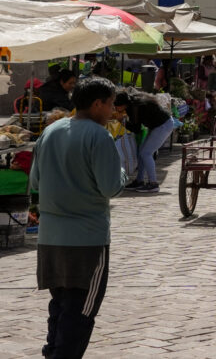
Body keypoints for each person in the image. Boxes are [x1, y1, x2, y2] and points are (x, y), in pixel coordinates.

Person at [30, 77, 125, 359]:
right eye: (110, 104)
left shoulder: (50, 131)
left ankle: (53, 353)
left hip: (50, 238)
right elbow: (112, 186)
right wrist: (122, 172)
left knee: (60, 305)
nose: (112, 111)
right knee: (80, 312)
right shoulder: (100, 136)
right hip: (87, 239)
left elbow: (35, 181)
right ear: (97, 104)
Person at [112, 90, 174, 193]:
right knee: (142, 152)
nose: (115, 108)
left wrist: (122, 121)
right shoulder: (132, 103)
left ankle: (153, 183)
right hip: (156, 126)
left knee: (146, 153)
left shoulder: (135, 107)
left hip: (163, 125)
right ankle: (139, 181)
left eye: (116, 106)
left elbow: (136, 129)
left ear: (122, 105)